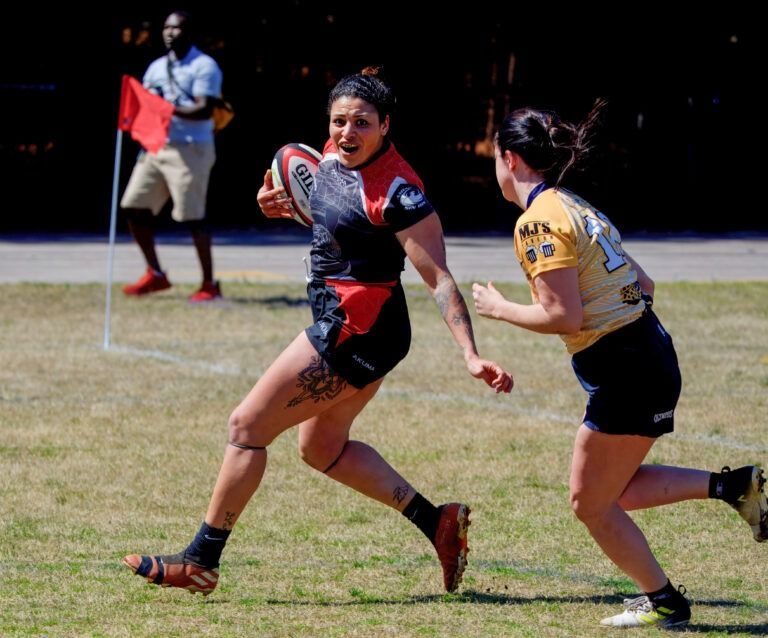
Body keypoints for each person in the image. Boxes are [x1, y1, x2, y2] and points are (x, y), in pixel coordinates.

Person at [122, 68, 513, 595]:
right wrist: (278, 207)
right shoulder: (329, 156)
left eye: (362, 123)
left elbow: (439, 278)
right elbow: (335, 220)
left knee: (246, 427)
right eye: (339, 121)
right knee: (322, 448)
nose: (348, 132)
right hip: (360, 325)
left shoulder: (400, 193)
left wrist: (469, 353)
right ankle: (437, 521)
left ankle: (200, 561)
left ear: (386, 125)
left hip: (359, 328)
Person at [471, 104, 768, 629]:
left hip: (625, 368)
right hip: (648, 351)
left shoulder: (536, 221)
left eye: (495, 156)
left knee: (588, 502)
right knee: (613, 490)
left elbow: (564, 316)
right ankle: (732, 487)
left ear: (510, 159)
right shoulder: (574, 205)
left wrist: (499, 309)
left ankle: (665, 602)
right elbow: (644, 286)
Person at [120, 10, 222, 302]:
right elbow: (146, 104)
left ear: (189, 33)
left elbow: (204, 108)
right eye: (166, 27)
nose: (169, 33)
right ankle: (155, 274)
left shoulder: (204, 66)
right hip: (157, 146)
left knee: (193, 217)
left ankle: (209, 284)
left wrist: (165, 108)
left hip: (191, 147)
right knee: (133, 206)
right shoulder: (155, 68)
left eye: (176, 28)